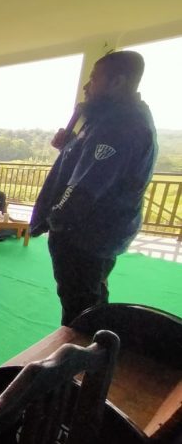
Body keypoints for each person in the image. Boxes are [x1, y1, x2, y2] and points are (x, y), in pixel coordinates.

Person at [30, 51, 157, 326]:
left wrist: (55, 218)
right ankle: (99, 343)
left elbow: (88, 186)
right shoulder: (114, 117)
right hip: (95, 234)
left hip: (84, 236)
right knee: (91, 298)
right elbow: (96, 163)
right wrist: (71, 144)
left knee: (80, 310)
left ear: (117, 82)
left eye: (94, 78)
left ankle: (81, 351)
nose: (87, 87)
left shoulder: (121, 125)